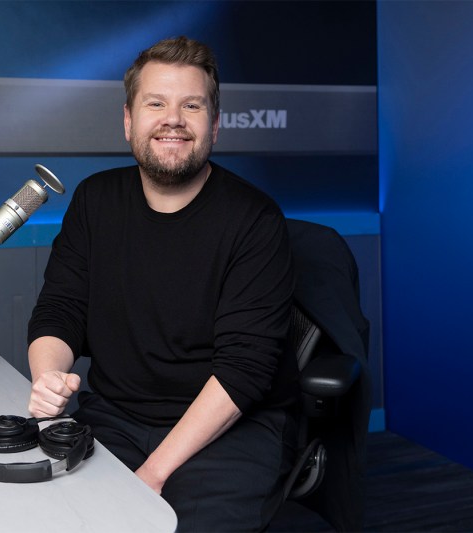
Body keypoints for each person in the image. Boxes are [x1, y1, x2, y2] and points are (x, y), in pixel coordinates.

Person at [27, 36, 298, 532]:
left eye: (191, 106)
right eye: (156, 103)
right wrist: (49, 377)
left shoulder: (254, 219)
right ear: (129, 120)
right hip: (115, 416)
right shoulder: (95, 200)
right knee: (56, 517)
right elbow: (60, 309)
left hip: (228, 429)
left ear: (213, 125)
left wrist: (151, 474)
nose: (173, 119)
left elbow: (244, 372)